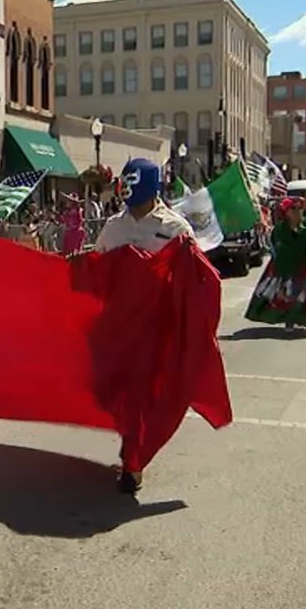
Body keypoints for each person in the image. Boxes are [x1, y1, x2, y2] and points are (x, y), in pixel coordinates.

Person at [95, 158, 195, 494]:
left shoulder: (176, 228)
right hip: (119, 325)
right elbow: (96, 268)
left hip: (157, 327)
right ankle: (131, 448)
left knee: (143, 395)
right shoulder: (113, 227)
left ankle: (133, 460)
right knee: (118, 394)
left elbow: (193, 278)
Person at [244, 196, 306, 331]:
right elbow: (274, 247)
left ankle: (301, 319)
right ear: (286, 212)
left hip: (305, 265)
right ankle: (289, 321)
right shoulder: (280, 229)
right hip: (284, 266)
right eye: (293, 208)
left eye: (300, 208)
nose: (297, 211)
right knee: (286, 297)